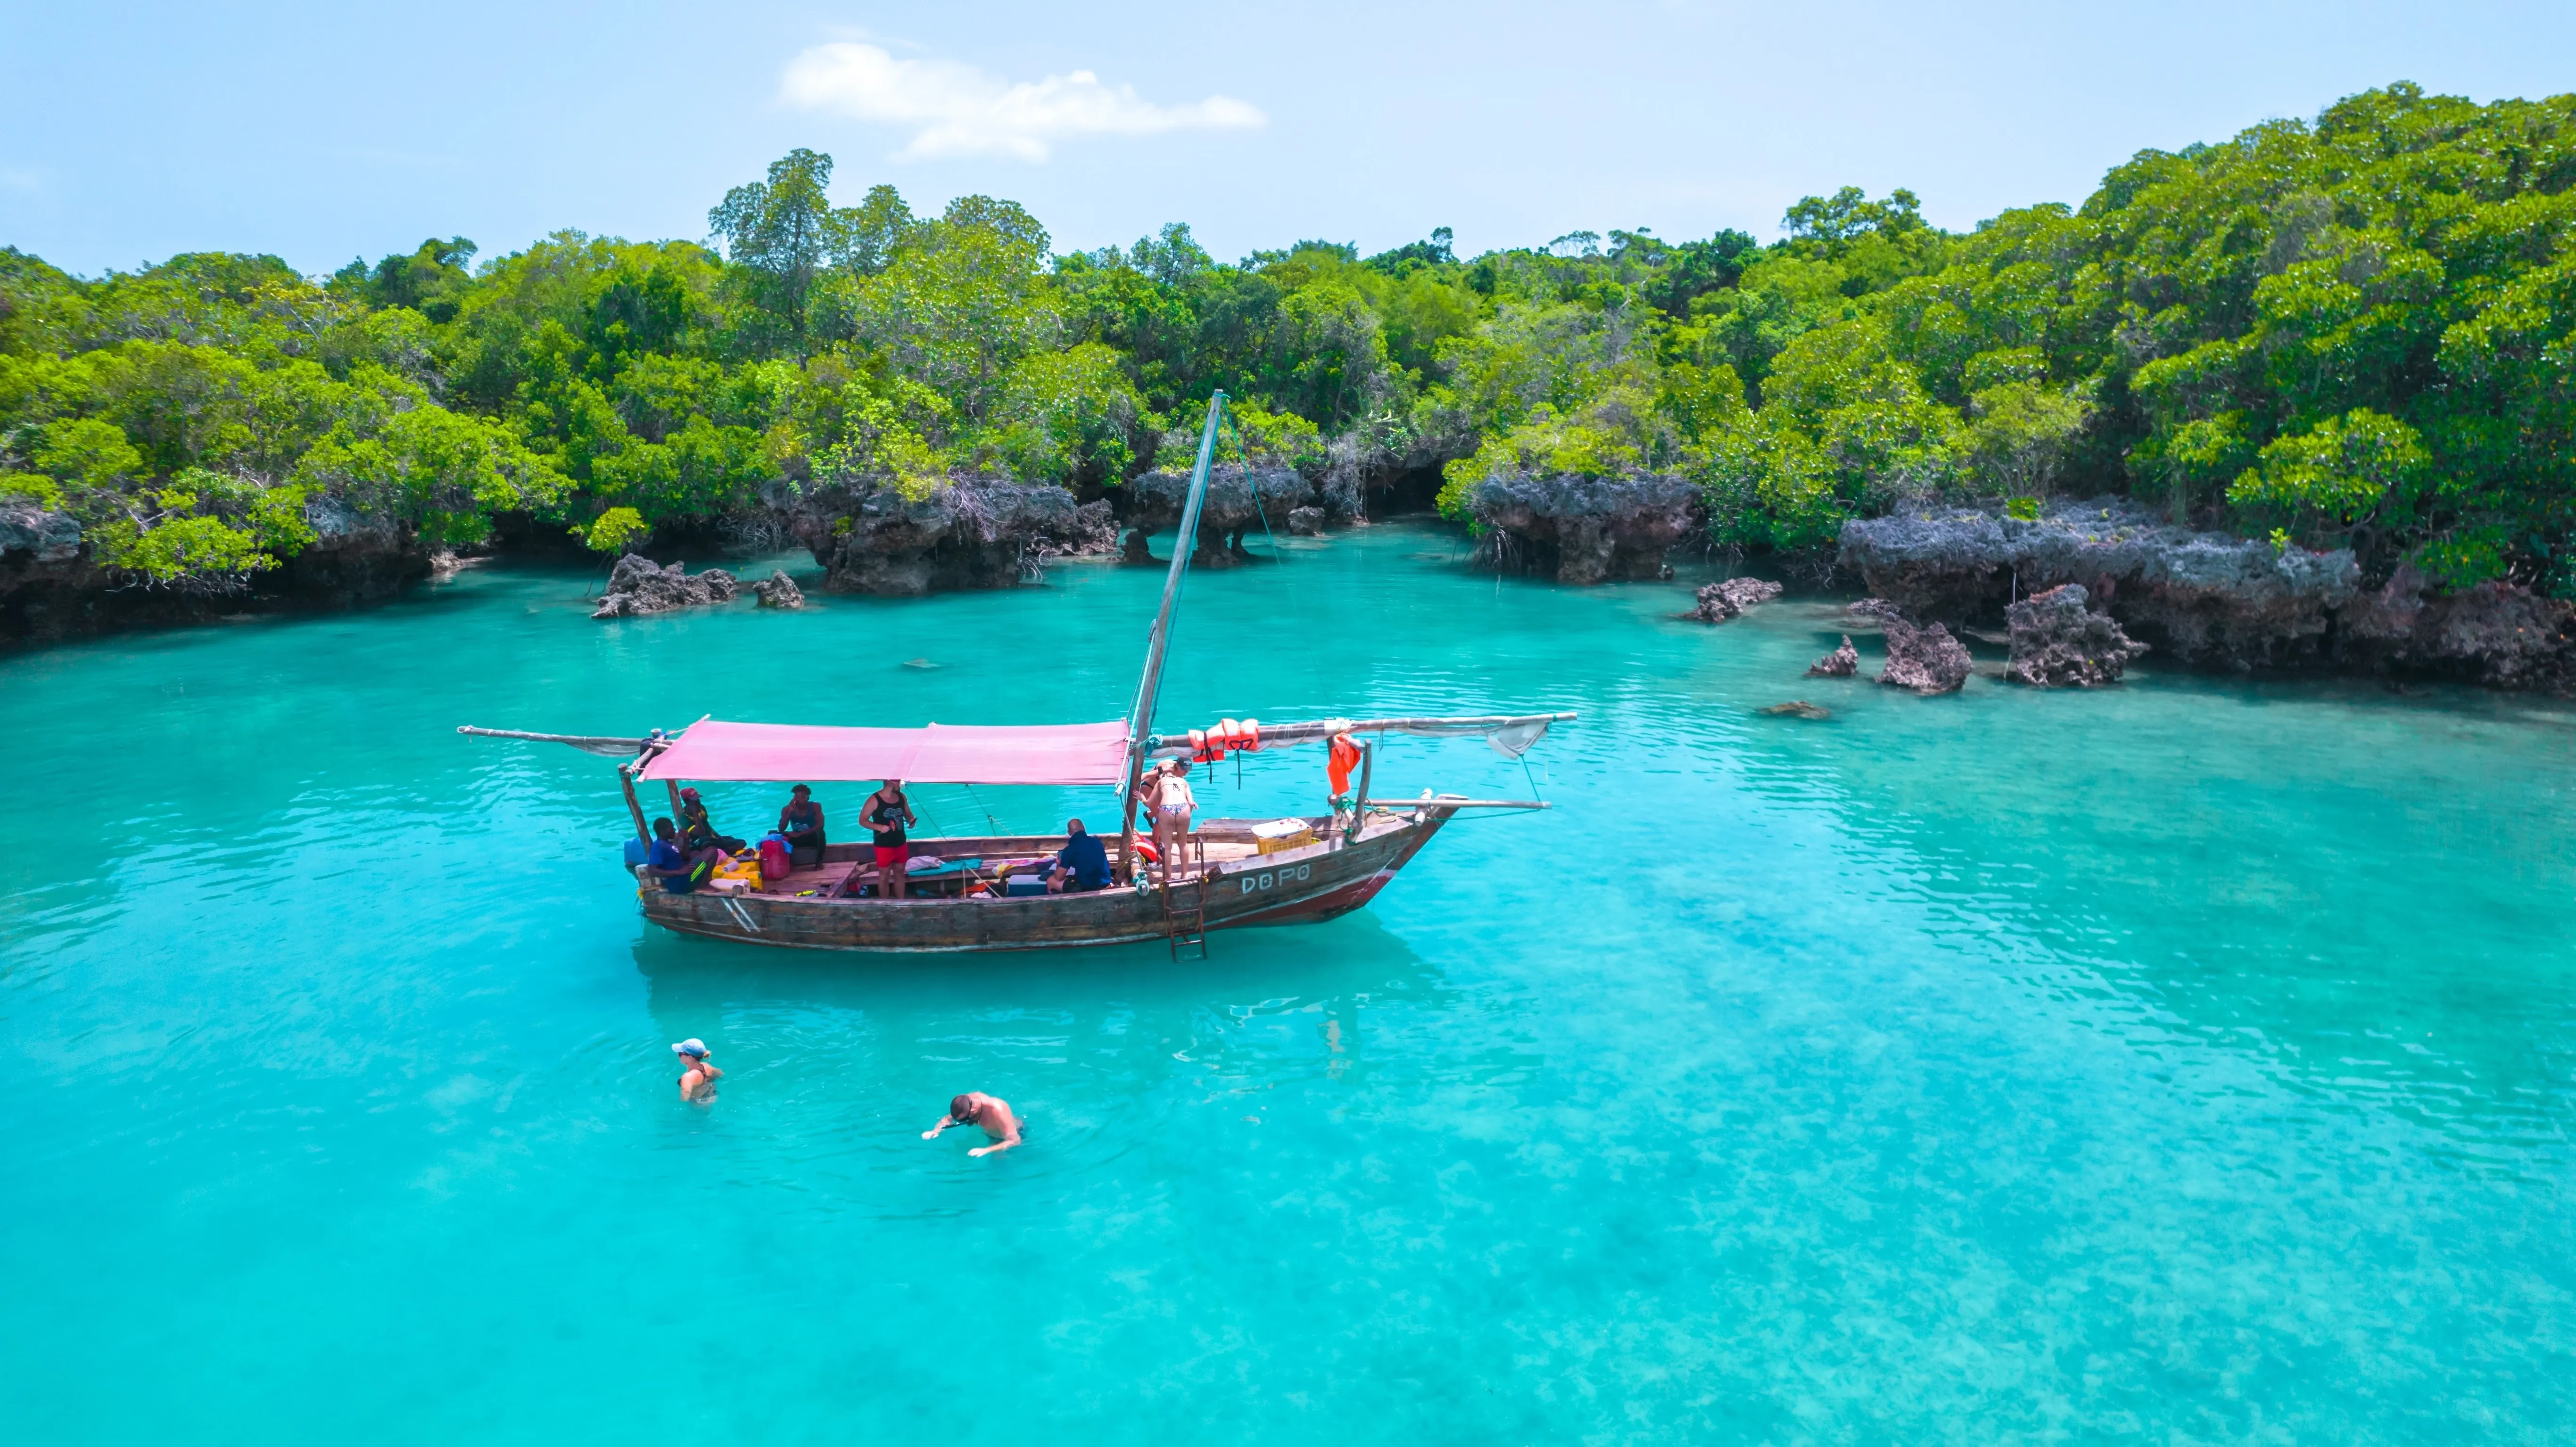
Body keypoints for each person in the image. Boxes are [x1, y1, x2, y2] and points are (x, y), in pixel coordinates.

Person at [1141, 759, 1196, 886]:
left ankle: (1168, 877)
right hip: (1151, 788)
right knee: (1182, 843)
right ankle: (1157, 849)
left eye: (1189, 770)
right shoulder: (1169, 772)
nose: (1187, 773)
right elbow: (1191, 803)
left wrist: (1142, 799)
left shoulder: (1167, 780)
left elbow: (1147, 803)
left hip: (1166, 806)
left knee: (1167, 846)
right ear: (1177, 767)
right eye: (1185, 770)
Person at [863, 779, 918, 899]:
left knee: (900, 873)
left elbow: (908, 813)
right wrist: (879, 827)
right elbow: (862, 820)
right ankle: (885, 904)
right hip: (883, 845)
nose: (901, 785)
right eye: (899, 782)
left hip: (900, 843)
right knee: (884, 875)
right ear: (891, 782)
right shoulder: (874, 800)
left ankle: (901, 901)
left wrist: (911, 820)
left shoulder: (901, 797)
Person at [642, 816, 726, 894]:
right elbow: (652, 871)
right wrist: (680, 872)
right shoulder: (658, 846)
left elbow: (686, 857)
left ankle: (703, 881)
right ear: (662, 832)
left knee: (695, 853)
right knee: (712, 851)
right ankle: (702, 885)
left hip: (683, 878)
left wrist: (686, 839)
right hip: (683, 883)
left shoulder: (667, 844)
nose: (674, 830)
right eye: (671, 828)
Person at [923, 1092, 1022, 1157]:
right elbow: (948, 1119)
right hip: (990, 1134)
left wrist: (986, 1150)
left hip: (1010, 1136)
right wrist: (936, 1131)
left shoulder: (997, 1110)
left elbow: (1015, 1141)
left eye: (964, 1120)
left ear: (973, 1111)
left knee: (999, 1165)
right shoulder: (968, 1102)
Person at [1046, 817, 1111, 893]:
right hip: (1105, 885)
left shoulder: (1070, 850)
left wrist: (1059, 865)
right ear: (1084, 828)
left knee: (1050, 881)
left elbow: (1059, 877)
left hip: (1087, 889)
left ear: (1069, 833)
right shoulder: (1097, 842)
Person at [678, 787, 744, 854]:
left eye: (698, 799)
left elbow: (707, 826)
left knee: (740, 842)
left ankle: (724, 850)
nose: (698, 802)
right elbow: (701, 833)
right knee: (705, 841)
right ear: (687, 802)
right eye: (695, 801)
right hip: (699, 844)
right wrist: (696, 814)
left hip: (712, 840)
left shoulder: (702, 808)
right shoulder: (683, 819)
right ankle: (724, 850)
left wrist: (720, 838)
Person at [777, 784, 826, 862]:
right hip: (796, 838)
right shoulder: (787, 809)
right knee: (774, 835)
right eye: (797, 797)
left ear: (808, 798)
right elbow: (781, 829)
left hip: (811, 837)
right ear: (794, 798)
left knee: (821, 834)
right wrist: (790, 811)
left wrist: (800, 834)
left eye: (803, 798)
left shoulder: (815, 806)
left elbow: (820, 825)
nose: (800, 800)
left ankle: (819, 862)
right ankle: (789, 863)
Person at [673, 1039, 722, 1103]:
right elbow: (720, 1074)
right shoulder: (707, 1066)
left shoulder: (688, 1077)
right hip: (713, 1097)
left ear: (690, 1057)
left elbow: (684, 1099)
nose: (678, 1056)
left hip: (699, 1104)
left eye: (680, 1054)